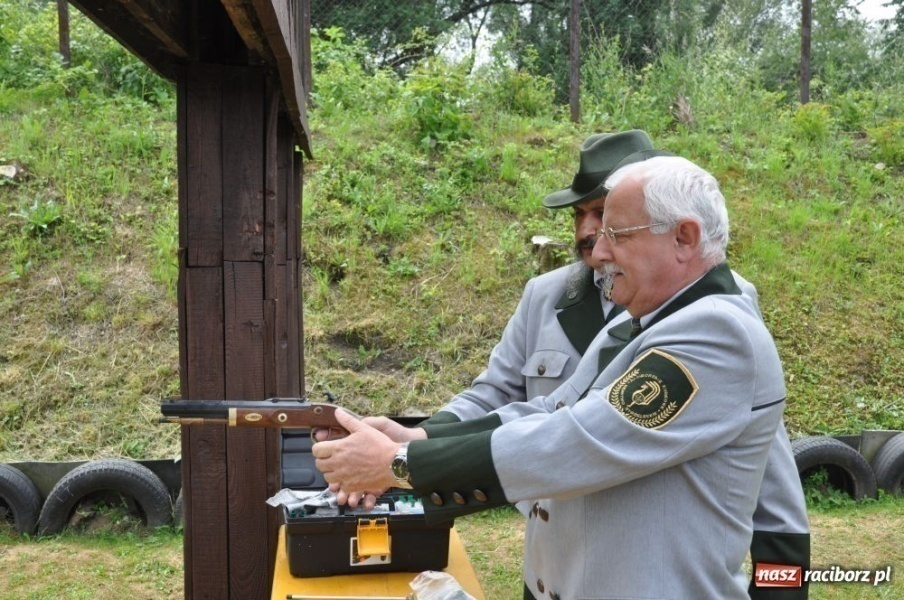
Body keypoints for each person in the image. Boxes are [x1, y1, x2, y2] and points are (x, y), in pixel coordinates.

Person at [313, 157, 803, 599]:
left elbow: (580, 439)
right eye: (590, 224)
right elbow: (547, 410)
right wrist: (417, 436)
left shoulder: (718, 332)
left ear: (684, 238)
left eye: (618, 233)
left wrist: (403, 464)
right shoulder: (634, 320)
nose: (600, 251)